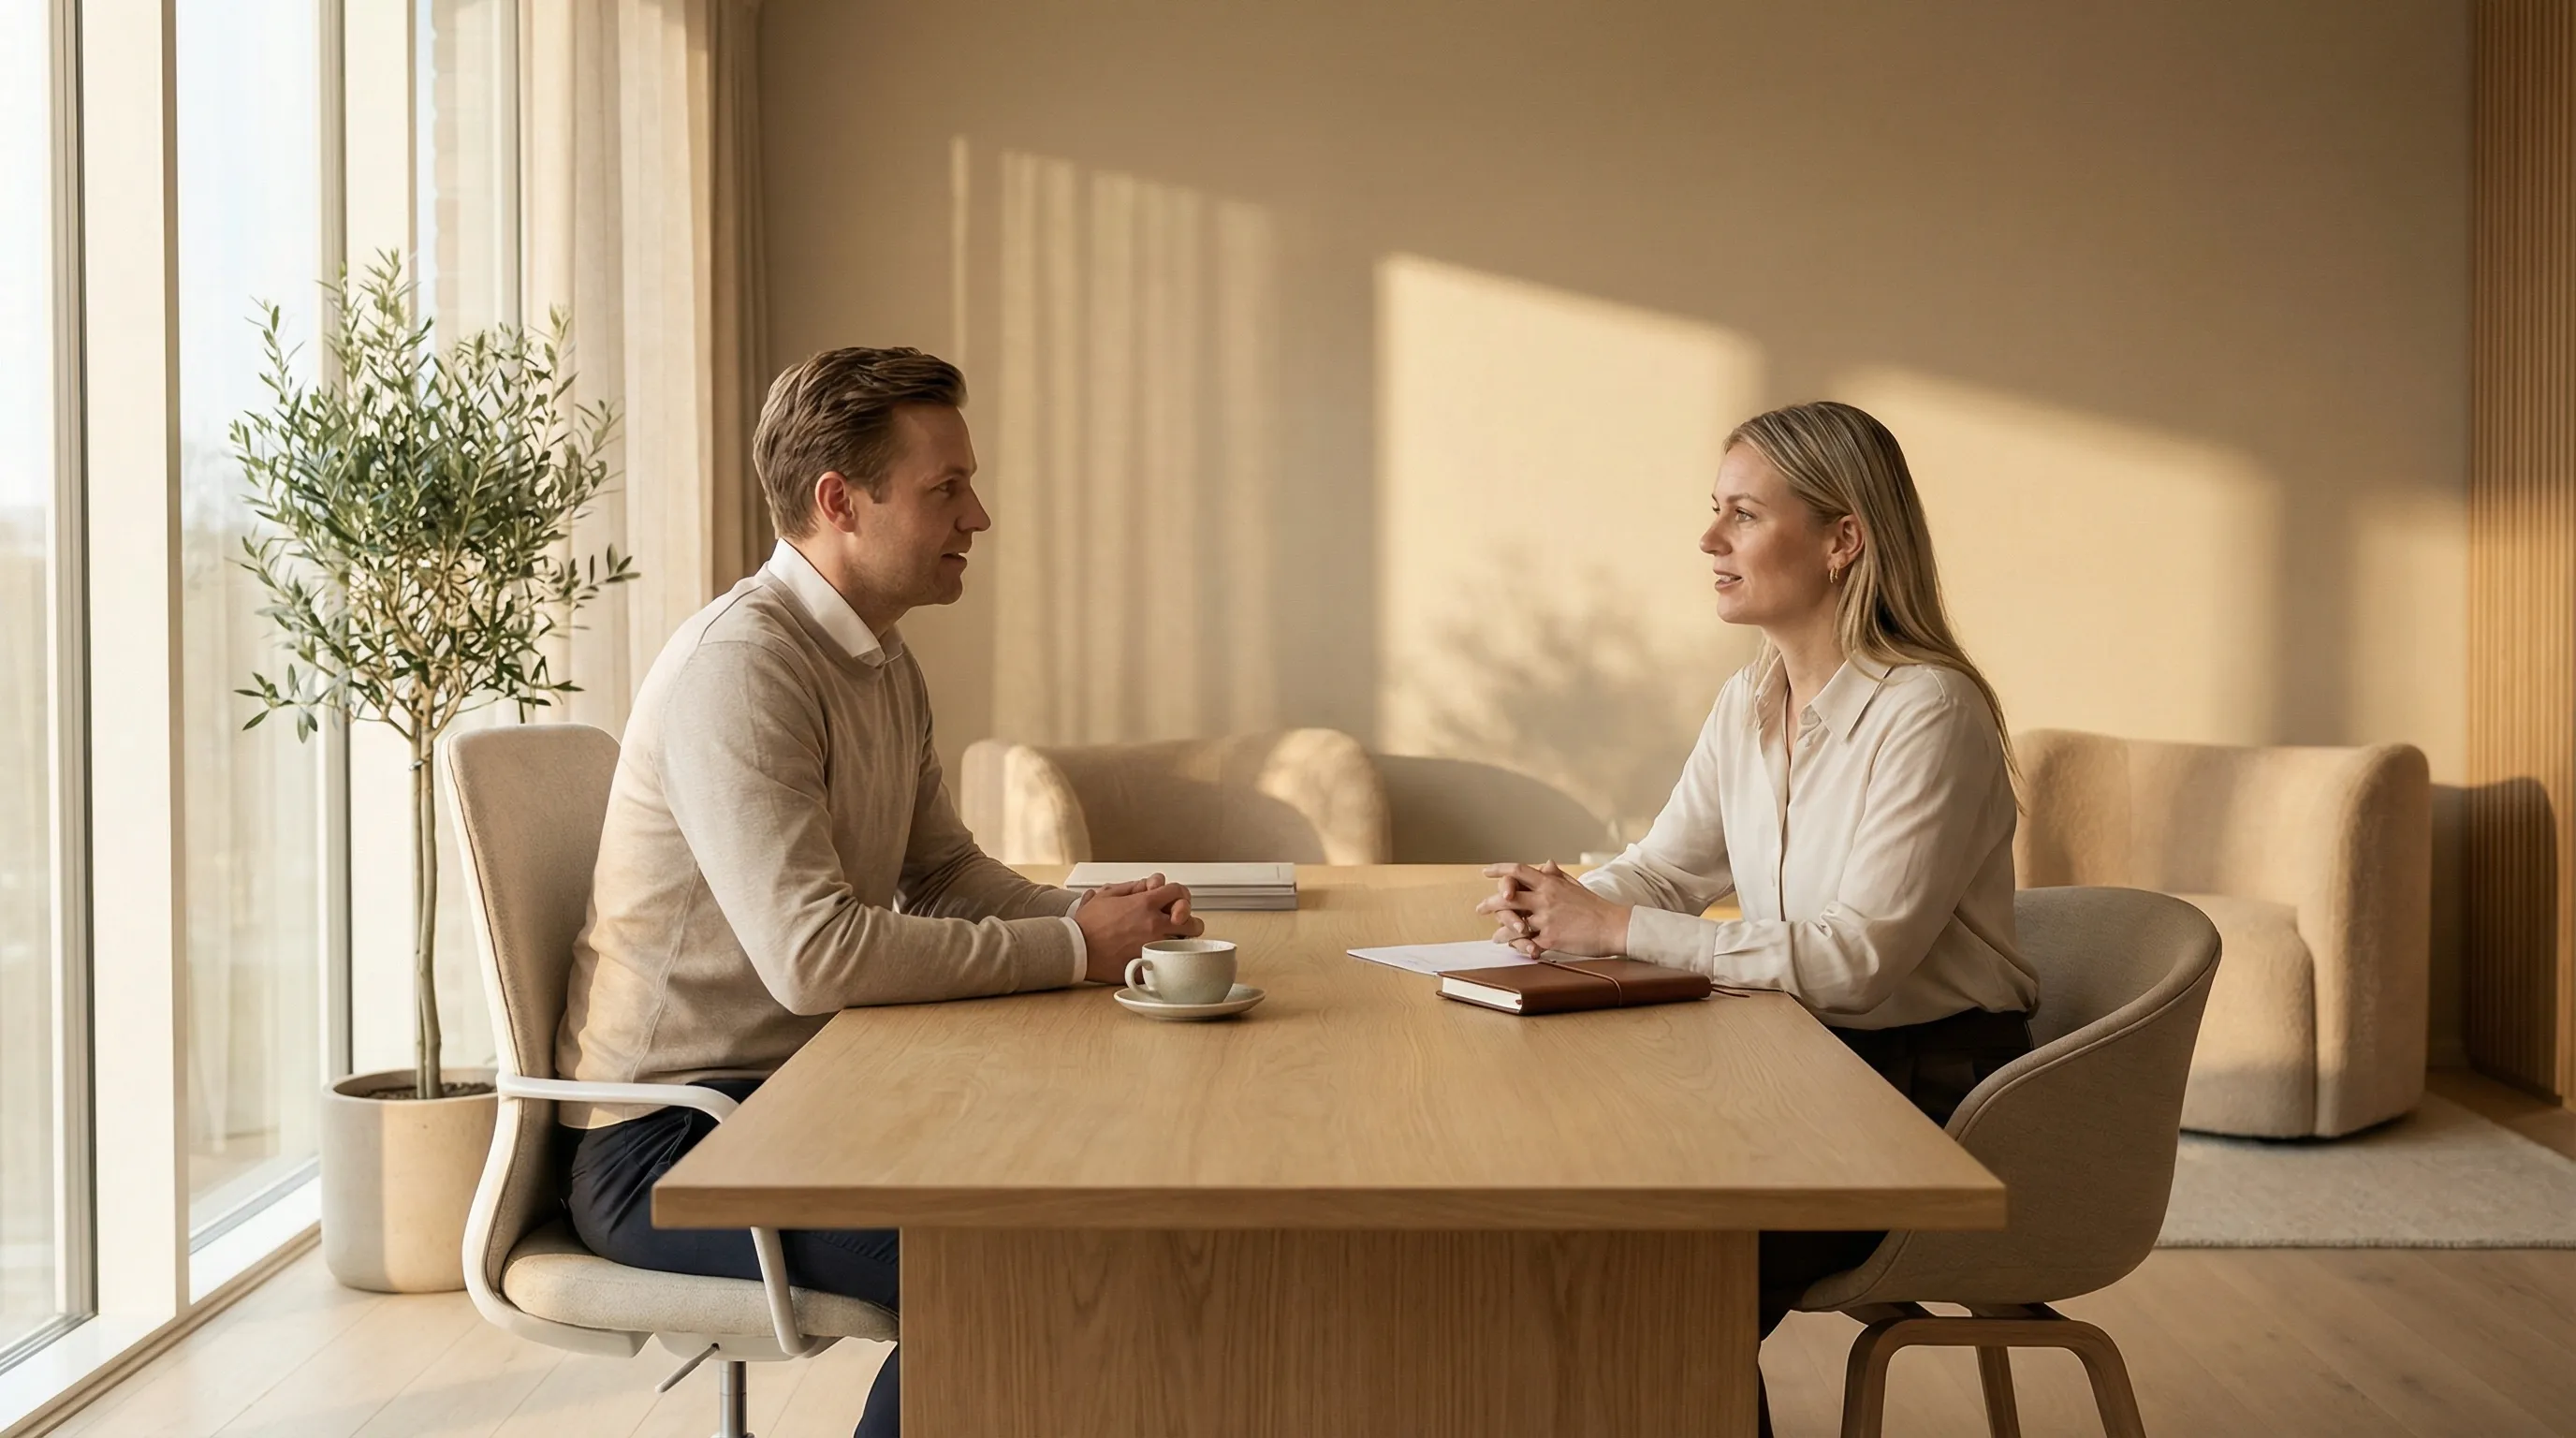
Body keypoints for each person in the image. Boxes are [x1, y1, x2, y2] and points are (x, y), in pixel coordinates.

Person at [553, 346, 1201, 1437]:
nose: (978, 516)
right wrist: (1072, 949)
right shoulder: (742, 666)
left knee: (1096, 1189)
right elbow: (813, 959)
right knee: (1005, 1264)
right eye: (947, 488)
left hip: (807, 1098)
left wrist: (1093, 921)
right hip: (673, 1142)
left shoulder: (880, 661)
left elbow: (940, 873)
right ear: (838, 503)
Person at [1473, 399, 2038, 1437]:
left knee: (1659, 1274)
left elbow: (1857, 963)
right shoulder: (1750, 699)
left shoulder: (1928, 712)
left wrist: (1611, 931)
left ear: (1841, 540)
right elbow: (1667, 870)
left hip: (1927, 1098)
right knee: (1579, 1220)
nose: (1708, 540)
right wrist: (1560, 904)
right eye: (1715, 510)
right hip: (1801, 1068)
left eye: (1742, 514)